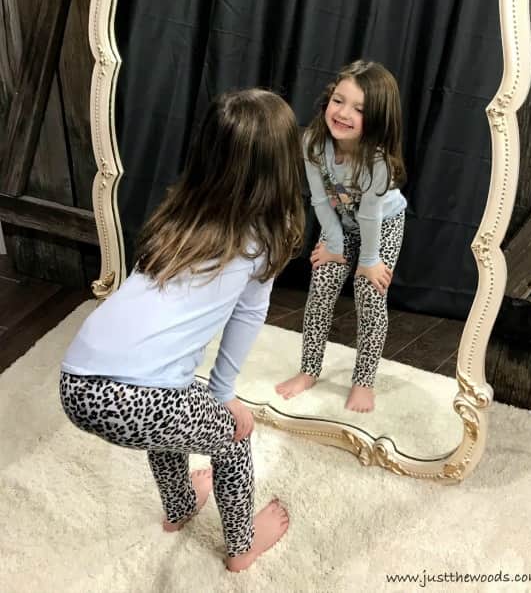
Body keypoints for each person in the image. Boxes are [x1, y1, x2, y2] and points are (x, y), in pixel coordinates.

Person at [59, 89, 305, 573]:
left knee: (175, 398)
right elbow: (248, 316)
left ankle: (179, 507)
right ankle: (241, 546)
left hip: (76, 380)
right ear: (282, 166)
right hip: (140, 397)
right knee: (232, 435)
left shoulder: (174, 218)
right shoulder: (263, 239)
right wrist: (225, 394)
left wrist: (208, 393)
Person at [275, 60, 406, 413]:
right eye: (338, 100)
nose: (344, 113)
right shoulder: (314, 144)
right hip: (340, 222)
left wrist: (368, 262)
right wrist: (333, 244)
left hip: (382, 225)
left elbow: (370, 215)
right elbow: (319, 199)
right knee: (323, 282)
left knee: (369, 293)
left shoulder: (378, 162)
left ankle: (363, 381)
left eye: (359, 109)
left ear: (377, 119)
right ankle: (308, 370)